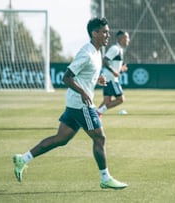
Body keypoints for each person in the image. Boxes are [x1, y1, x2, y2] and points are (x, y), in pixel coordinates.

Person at [12, 17, 128, 190]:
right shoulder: (86, 52)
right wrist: (82, 92)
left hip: (74, 104)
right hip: (82, 105)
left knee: (61, 139)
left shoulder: (97, 52)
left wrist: (98, 80)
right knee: (100, 137)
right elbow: (67, 77)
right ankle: (105, 178)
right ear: (94, 33)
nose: (107, 35)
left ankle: (24, 158)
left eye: (108, 32)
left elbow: (84, 76)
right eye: (104, 32)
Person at [97, 30, 130, 117]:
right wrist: (113, 71)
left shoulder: (119, 49)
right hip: (111, 79)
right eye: (127, 37)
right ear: (121, 38)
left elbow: (114, 66)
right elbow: (105, 60)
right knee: (120, 99)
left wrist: (121, 70)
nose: (128, 40)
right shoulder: (115, 49)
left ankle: (94, 118)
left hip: (109, 78)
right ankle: (97, 113)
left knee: (106, 101)